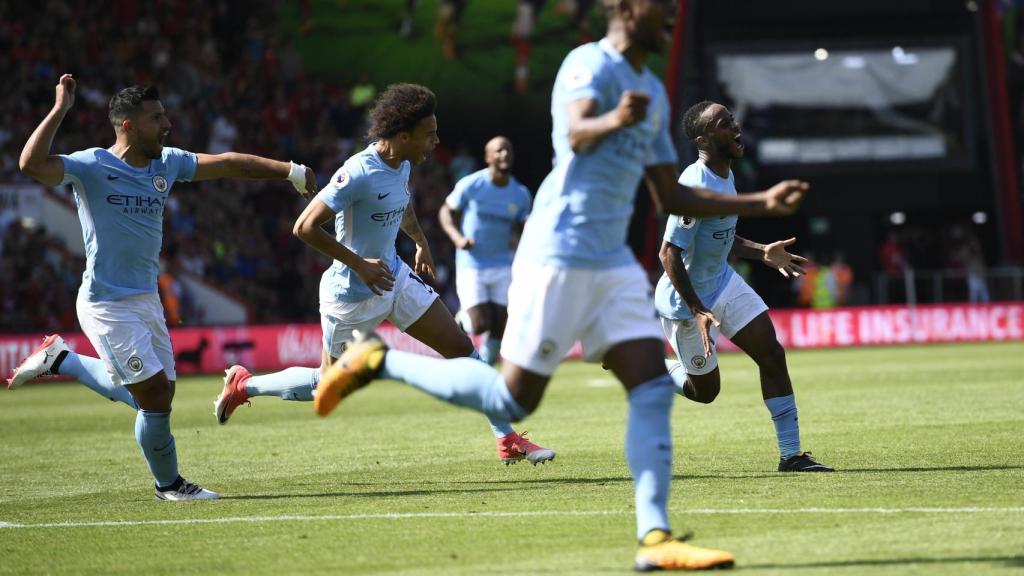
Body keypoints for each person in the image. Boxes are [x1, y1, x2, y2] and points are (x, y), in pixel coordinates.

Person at [315, 1, 808, 570]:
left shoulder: (652, 89)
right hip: (560, 249)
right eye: (659, 6)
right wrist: (615, 119)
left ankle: (656, 539)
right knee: (512, 400)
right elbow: (576, 131)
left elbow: (670, 195)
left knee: (651, 386)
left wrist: (761, 203)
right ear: (626, 8)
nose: (671, 14)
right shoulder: (587, 64)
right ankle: (379, 362)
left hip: (612, 258)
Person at [8, 75, 317, 500]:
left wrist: (290, 171)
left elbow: (229, 163)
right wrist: (60, 109)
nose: (168, 125)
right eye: (156, 118)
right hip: (106, 303)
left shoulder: (167, 163)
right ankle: (169, 485)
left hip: (146, 300)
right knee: (153, 397)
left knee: (159, 397)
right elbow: (30, 165)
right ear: (128, 126)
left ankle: (62, 359)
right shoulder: (92, 165)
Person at [213, 84, 554, 466]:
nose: (436, 142)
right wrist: (360, 264)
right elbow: (304, 227)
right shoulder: (357, 172)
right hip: (351, 295)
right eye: (430, 134)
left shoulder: (403, 164)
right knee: (326, 384)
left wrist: (421, 242)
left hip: (395, 278)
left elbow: (401, 205)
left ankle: (507, 439)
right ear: (403, 136)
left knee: (462, 349)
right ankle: (246, 385)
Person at [656, 100, 834, 473]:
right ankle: (648, 364)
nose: (735, 126)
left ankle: (792, 456)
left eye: (732, 119)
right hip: (686, 302)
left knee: (771, 353)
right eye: (723, 123)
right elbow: (668, 252)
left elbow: (720, 236)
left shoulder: (725, 173)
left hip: (722, 282)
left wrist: (762, 252)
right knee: (705, 393)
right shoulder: (695, 184)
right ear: (703, 139)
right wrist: (697, 308)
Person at [439, 136, 532, 366]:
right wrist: (457, 238)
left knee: (501, 324)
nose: (504, 154)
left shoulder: (520, 194)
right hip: (472, 264)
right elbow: (445, 211)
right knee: (480, 324)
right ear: (488, 157)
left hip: (503, 264)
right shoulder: (472, 184)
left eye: (508, 150)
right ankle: (462, 319)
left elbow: (523, 227)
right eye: (498, 150)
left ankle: (485, 370)